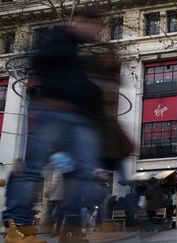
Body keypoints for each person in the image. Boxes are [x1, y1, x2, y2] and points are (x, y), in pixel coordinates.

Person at [2, 9, 103, 243]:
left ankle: (72, 225)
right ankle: (17, 225)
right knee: (33, 168)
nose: (96, 32)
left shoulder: (76, 51)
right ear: (83, 23)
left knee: (83, 170)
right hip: (54, 111)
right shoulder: (59, 37)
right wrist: (50, 96)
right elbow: (40, 62)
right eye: (94, 27)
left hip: (78, 117)